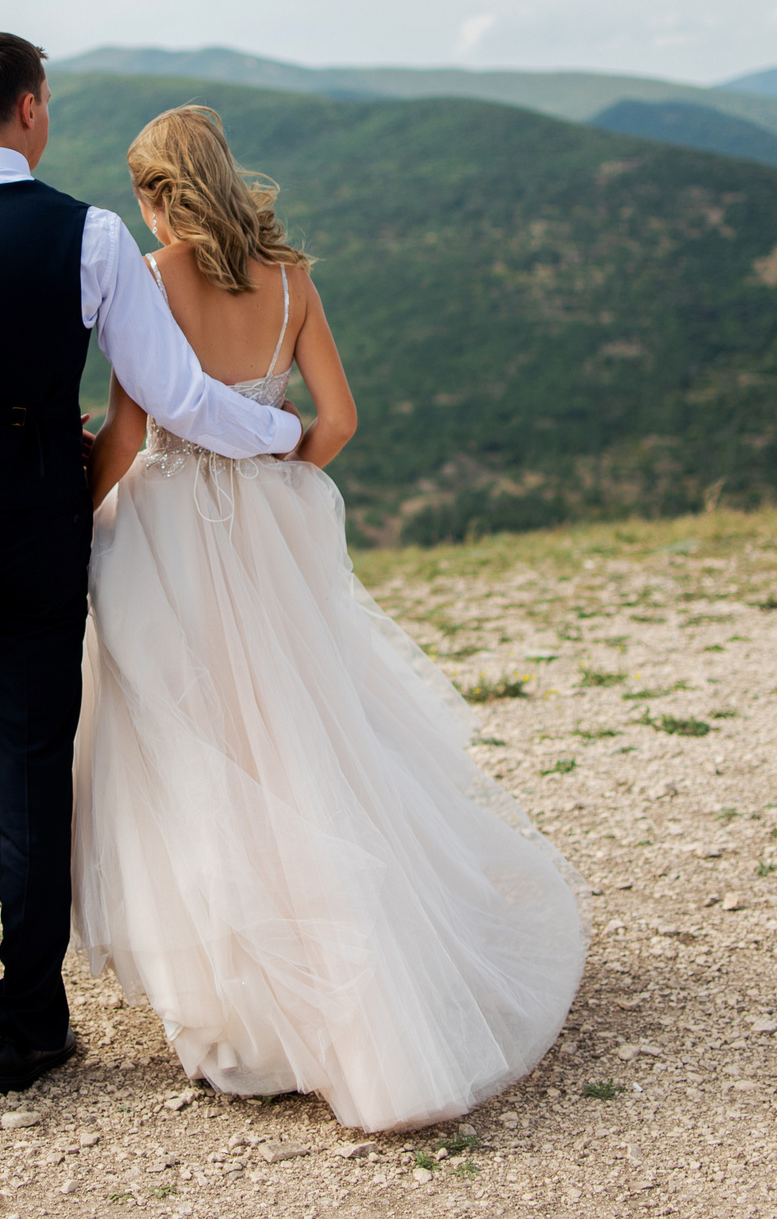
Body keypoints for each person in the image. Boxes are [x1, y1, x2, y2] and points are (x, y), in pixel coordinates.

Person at [74, 105, 585, 1133]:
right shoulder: (293, 279)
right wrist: (275, 477)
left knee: (193, 742)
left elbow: (129, 429)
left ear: (158, 193)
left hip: (173, 529)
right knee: (304, 731)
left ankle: (243, 1002)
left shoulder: (152, 275)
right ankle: (367, 972)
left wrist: (70, 517)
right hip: (268, 523)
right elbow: (339, 420)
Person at [0, 34, 302, 1093]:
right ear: (32, 107)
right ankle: (30, 1022)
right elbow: (175, 399)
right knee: (32, 764)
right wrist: (284, 438)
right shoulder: (90, 236)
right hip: (41, 518)